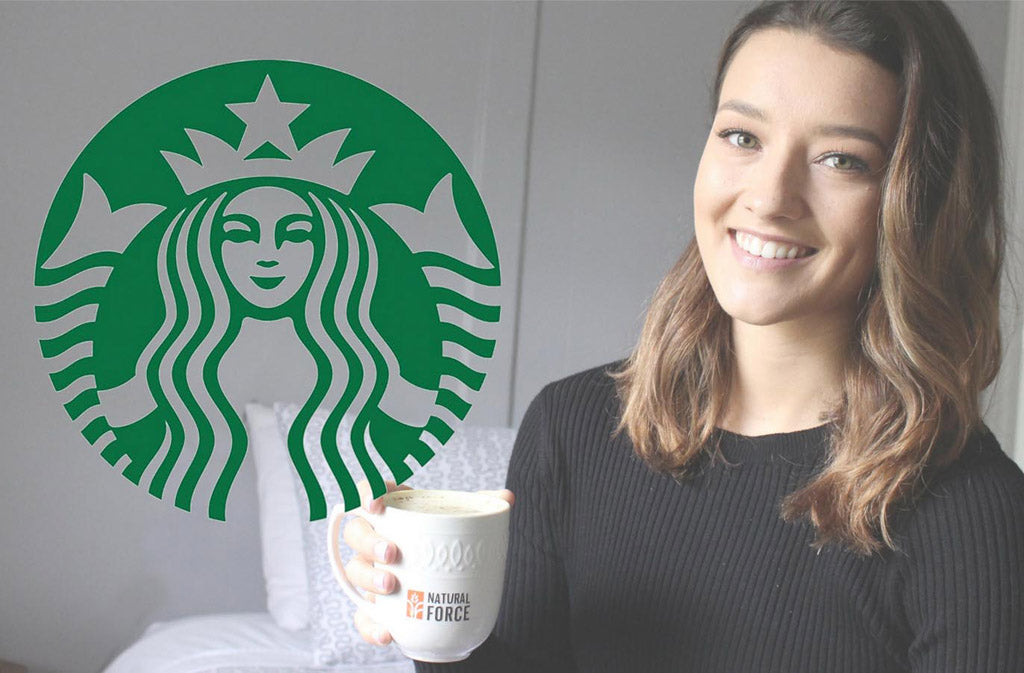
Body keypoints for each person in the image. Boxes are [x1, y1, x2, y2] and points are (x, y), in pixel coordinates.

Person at [341, 1, 1024, 671]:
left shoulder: (974, 511)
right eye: (743, 137)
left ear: (920, 202)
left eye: (841, 159)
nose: (769, 196)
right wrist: (432, 626)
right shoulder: (572, 430)